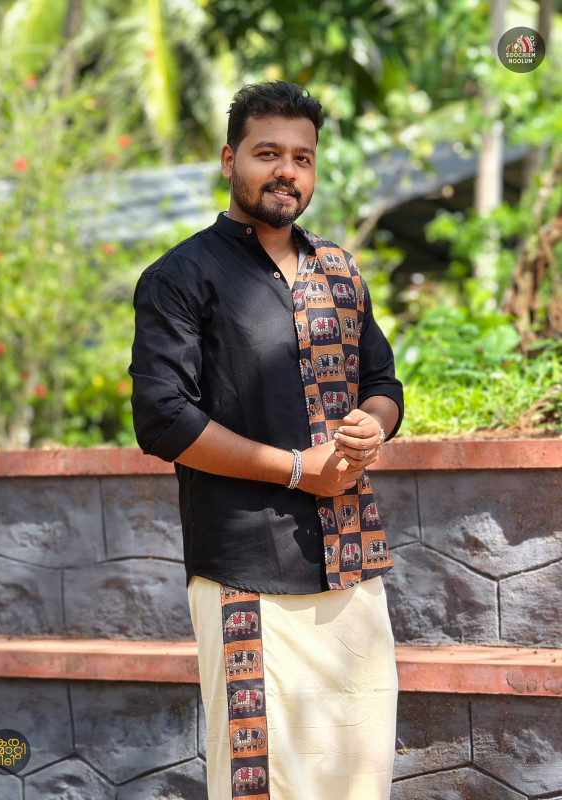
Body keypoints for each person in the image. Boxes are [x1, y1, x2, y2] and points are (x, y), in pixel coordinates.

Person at [129, 81, 404, 800]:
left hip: (351, 560)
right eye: (268, 154)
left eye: (302, 158)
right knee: (265, 781)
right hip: (246, 571)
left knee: (360, 773)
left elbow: (382, 381)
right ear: (230, 160)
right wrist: (295, 469)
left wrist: (373, 424)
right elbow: (162, 417)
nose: (287, 171)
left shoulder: (338, 270)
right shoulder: (180, 278)